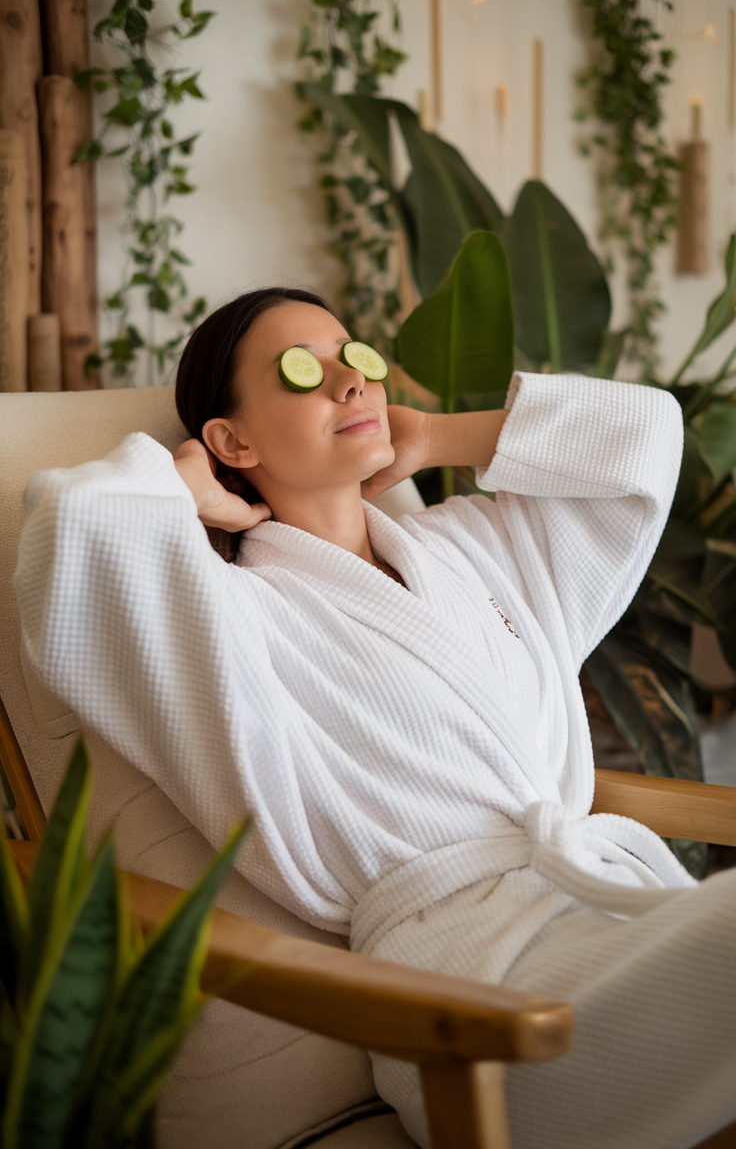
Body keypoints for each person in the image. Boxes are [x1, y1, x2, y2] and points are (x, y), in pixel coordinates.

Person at [14, 286, 736, 1149]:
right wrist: (183, 491)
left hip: (623, 919)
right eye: (299, 371)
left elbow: (646, 436)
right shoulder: (232, 620)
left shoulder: (471, 549)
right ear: (231, 441)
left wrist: (439, 434)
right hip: (478, 1008)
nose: (348, 382)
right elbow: (77, 529)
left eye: (351, 355)